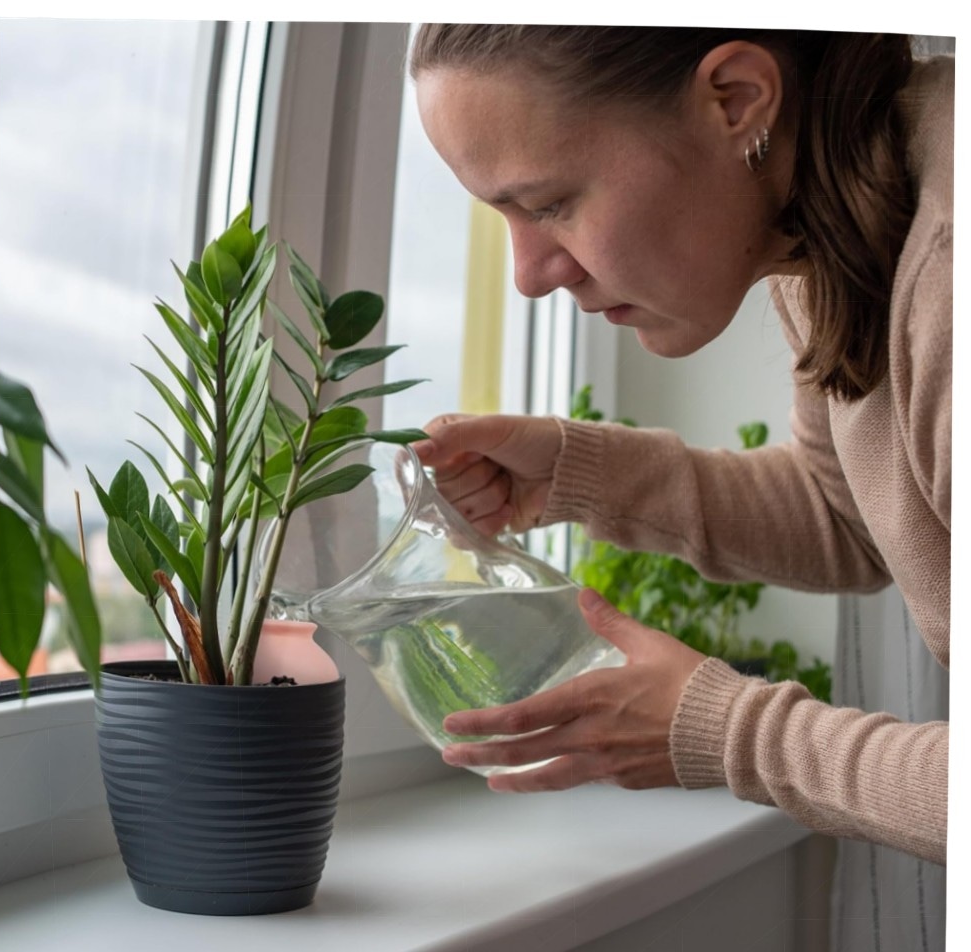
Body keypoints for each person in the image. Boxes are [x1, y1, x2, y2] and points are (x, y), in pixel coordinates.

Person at [407, 25, 951, 867]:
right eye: (504, 216)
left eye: (550, 203)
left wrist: (730, 731)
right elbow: (857, 516)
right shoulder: (832, 212)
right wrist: (575, 470)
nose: (529, 272)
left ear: (735, 100)